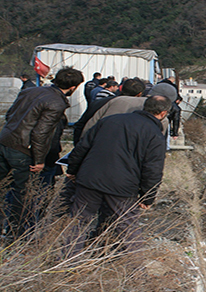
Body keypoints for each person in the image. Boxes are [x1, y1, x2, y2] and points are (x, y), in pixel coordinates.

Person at [65, 95, 170, 256]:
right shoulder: (155, 134)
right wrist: (147, 197)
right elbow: (153, 169)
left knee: (78, 222)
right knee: (127, 228)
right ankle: (135, 272)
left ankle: (66, 261)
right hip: (122, 188)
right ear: (163, 113)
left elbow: (83, 146)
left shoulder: (110, 121)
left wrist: (73, 169)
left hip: (90, 179)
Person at [0, 67, 83, 237]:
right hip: (22, 150)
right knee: (23, 195)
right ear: (73, 87)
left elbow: (10, 115)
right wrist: (39, 160)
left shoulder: (30, 91)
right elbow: (41, 133)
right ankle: (16, 236)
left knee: (2, 188)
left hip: (5, 141)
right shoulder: (57, 103)